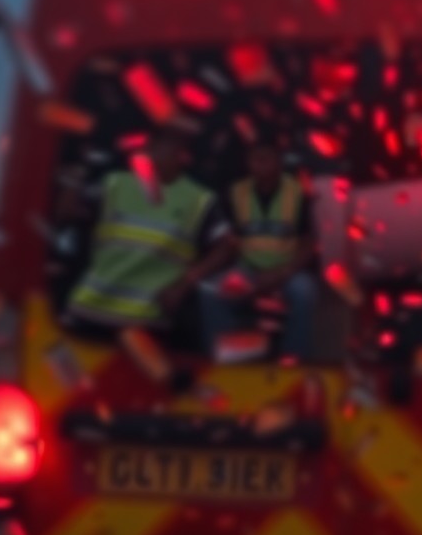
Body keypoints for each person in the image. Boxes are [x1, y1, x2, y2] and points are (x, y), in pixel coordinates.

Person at [62, 125, 236, 332]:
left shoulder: (199, 199)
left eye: (174, 147)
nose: (156, 151)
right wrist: (74, 176)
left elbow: (228, 247)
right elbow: (67, 214)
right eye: (157, 145)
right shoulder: (114, 184)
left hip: (148, 320)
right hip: (91, 309)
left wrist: (184, 285)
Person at [211, 142, 319, 360]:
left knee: (305, 291)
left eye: (265, 158)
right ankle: (229, 359)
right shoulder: (236, 191)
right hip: (247, 268)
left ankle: (294, 358)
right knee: (212, 291)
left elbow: (309, 243)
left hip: (286, 270)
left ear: (278, 162)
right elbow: (227, 240)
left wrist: (282, 273)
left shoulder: (297, 191)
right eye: (254, 159)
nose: (259, 164)